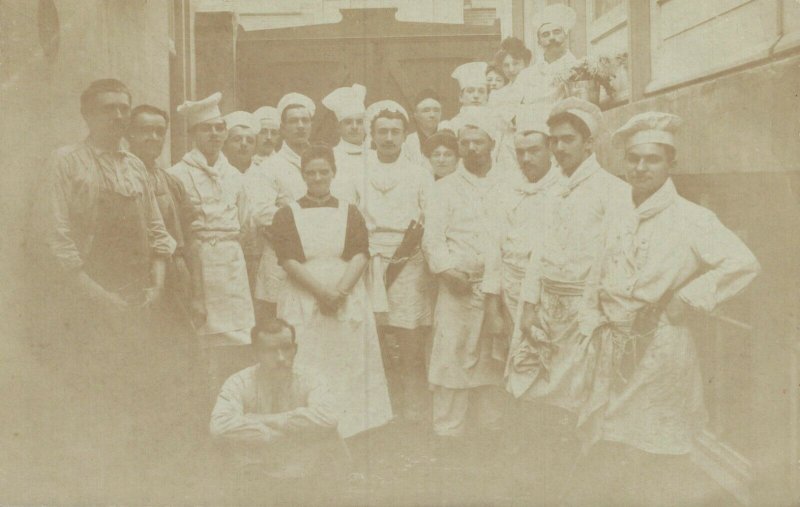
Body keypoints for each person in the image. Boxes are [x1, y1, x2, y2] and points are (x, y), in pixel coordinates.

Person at [564, 112, 761, 505]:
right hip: (611, 343)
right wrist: (589, 321)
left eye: (652, 159)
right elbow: (597, 274)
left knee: (657, 449)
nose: (640, 167)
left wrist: (685, 298)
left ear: (671, 163)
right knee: (610, 441)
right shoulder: (618, 213)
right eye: (634, 158)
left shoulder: (691, 217)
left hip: (659, 347)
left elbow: (742, 263)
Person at [40, 78, 176, 491]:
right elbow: (56, 239)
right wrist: (99, 297)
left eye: (123, 108)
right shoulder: (66, 162)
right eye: (107, 108)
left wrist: (156, 286)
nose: (117, 116)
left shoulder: (136, 166)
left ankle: (134, 484)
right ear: (86, 115)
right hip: (86, 300)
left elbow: (157, 232)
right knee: (90, 394)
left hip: (138, 299)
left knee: (139, 391)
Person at [511, 97, 629, 500]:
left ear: (589, 143)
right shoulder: (552, 191)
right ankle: (546, 485)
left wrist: (595, 314)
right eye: (555, 141)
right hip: (547, 311)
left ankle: (579, 490)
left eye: (568, 140)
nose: (559, 149)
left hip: (586, 314)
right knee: (540, 396)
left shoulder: (613, 191)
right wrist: (528, 308)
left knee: (582, 401)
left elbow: (613, 258)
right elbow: (537, 254)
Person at [271, 144, 392, 440]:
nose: (317, 178)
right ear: (303, 175)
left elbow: (360, 254)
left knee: (347, 362)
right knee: (308, 361)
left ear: (333, 173)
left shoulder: (350, 212)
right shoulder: (287, 214)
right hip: (304, 293)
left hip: (345, 294)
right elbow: (288, 259)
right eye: (311, 173)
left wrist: (340, 291)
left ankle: (352, 428)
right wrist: (321, 292)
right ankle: (309, 429)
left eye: (323, 172)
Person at [423, 110, 509, 456]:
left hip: (497, 290)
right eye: (466, 143)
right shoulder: (443, 189)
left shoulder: (509, 185)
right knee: (450, 358)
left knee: (493, 359)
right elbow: (432, 239)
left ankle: (492, 432)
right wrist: (445, 270)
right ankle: (448, 432)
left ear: (492, 144)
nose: (472, 149)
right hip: (457, 288)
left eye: (479, 142)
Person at [349, 100, 435, 423]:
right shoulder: (356, 173)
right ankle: (378, 408)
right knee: (372, 338)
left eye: (395, 132)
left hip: (409, 262)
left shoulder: (420, 173)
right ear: (371, 134)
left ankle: (413, 409)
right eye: (382, 131)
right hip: (369, 262)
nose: (388, 138)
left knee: (409, 337)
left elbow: (429, 217)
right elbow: (349, 219)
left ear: (404, 135)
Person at [168, 92, 254, 400]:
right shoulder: (176, 174)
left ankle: (232, 404)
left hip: (231, 262)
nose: (215, 134)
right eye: (207, 129)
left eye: (220, 128)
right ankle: (205, 407)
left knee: (235, 343)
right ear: (193, 134)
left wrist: (227, 245)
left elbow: (245, 222)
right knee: (203, 344)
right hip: (199, 262)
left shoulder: (235, 176)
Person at [210, 320, 348, 482]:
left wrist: (261, 419)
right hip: (259, 471)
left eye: (286, 348)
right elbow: (220, 427)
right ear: (255, 353)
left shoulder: (312, 378)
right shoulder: (238, 382)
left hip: (310, 471)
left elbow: (328, 418)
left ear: (295, 349)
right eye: (270, 350)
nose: (281, 358)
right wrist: (275, 436)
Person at [253, 93, 316, 319]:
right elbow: (263, 214)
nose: (300, 126)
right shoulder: (270, 167)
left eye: (305, 120)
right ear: (282, 127)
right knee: (279, 325)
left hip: (316, 258)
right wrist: (307, 221)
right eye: (293, 121)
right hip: (280, 260)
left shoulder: (321, 161)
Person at [222, 110, 263, 292]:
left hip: (259, 256)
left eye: (250, 140)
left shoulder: (265, 174)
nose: (244, 145)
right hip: (226, 258)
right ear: (225, 143)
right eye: (237, 139)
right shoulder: (219, 175)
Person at [517, 4, 578, 117]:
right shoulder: (526, 75)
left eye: (557, 32)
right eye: (545, 34)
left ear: (566, 36)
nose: (552, 38)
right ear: (539, 42)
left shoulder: (579, 69)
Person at [321, 83, 368, 203]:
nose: (354, 127)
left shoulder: (375, 155)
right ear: (338, 127)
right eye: (348, 122)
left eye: (359, 122)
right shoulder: (331, 157)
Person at [403, 89, 443, 171]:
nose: (432, 115)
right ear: (416, 115)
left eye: (436, 110)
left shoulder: (448, 139)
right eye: (426, 110)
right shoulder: (406, 142)